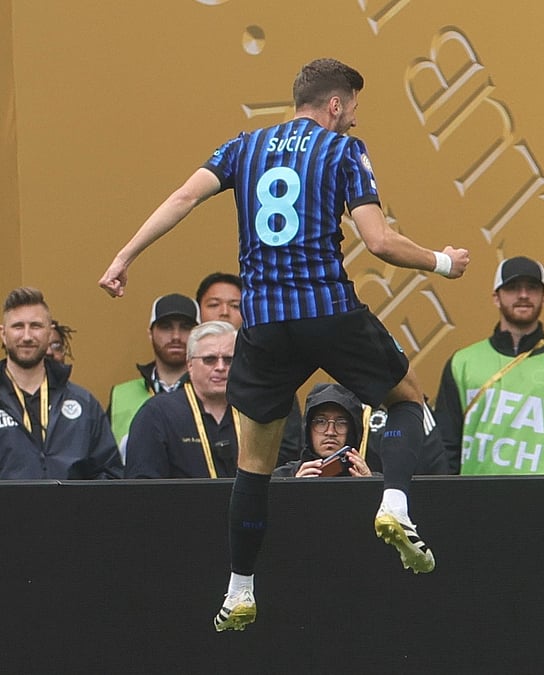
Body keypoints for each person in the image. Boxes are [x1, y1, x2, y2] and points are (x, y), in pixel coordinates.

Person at [98, 57, 470, 633]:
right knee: (406, 400)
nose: (352, 121)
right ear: (336, 104)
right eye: (352, 110)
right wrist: (442, 262)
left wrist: (124, 257)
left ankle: (239, 590)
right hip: (329, 310)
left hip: (266, 325)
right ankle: (394, 504)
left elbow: (182, 197)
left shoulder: (242, 147)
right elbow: (378, 241)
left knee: (253, 466)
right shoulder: (344, 150)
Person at [434, 256, 544, 474]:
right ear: (496, 298)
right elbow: (446, 445)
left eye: (532, 288)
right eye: (512, 287)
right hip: (477, 494)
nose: (523, 295)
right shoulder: (462, 363)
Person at [0, 287, 122, 479]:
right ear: (3, 334)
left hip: (74, 501)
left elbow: (110, 475)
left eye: (36, 326)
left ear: (49, 333)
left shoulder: (84, 403)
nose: (27, 336)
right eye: (17, 326)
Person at [196, 271, 304, 466]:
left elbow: (290, 445)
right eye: (213, 304)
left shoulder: (272, 373)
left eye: (235, 305)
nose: (224, 312)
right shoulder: (186, 374)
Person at [125, 321, 239, 478]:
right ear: (190, 365)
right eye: (209, 359)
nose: (220, 367)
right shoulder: (157, 414)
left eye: (229, 360)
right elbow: (142, 485)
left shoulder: (254, 411)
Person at [107, 293, 200, 455]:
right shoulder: (120, 395)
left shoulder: (214, 393)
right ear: (150, 334)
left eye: (185, 327)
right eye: (166, 327)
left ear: (199, 336)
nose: (176, 336)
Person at [273, 383, 376, 478]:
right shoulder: (280, 478)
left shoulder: (373, 479)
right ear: (307, 428)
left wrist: (369, 487)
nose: (330, 432)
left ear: (353, 430)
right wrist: (294, 487)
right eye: (321, 422)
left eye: (341, 422)